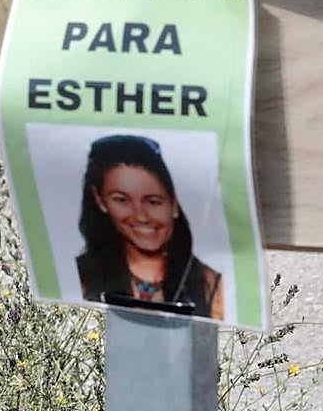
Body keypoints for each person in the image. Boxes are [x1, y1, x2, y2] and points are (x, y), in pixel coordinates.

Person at [75, 134, 224, 320]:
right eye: (121, 200)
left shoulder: (211, 286)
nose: (141, 216)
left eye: (153, 202)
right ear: (100, 200)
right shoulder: (81, 279)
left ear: (175, 204)